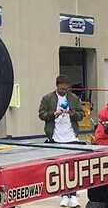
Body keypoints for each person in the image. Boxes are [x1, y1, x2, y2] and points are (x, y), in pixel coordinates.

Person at [39, 75, 85, 207]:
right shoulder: (47, 98)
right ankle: (64, 195)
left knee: (73, 168)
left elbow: (81, 115)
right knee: (60, 168)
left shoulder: (74, 98)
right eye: (62, 88)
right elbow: (41, 115)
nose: (64, 91)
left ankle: (73, 196)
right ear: (57, 85)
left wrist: (73, 113)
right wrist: (54, 113)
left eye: (67, 89)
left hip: (71, 137)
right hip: (56, 137)